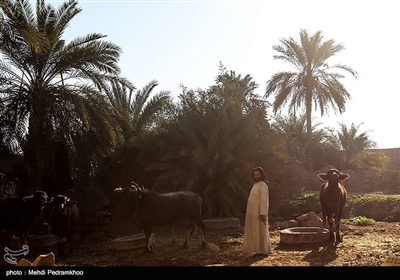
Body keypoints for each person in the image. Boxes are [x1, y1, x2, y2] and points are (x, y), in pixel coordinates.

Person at [243, 166, 272, 256]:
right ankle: (258, 249)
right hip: (253, 213)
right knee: (255, 231)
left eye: (258, 175)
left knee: (261, 231)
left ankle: (264, 250)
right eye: (254, 175)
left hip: (259, 213)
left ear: (261, 175)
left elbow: (264, 200)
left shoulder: (263, 185)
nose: (256, 176)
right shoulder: (256, 185)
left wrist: (262, 213)